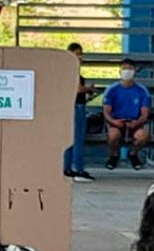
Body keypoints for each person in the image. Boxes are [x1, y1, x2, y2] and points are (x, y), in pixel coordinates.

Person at [102, 58, 151, 171]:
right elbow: (106, 111)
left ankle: (133, 154)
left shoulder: (142, 90)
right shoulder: (111, 90)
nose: (127, 71)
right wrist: (114, 122)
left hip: (135, 122)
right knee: (113, 135)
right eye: (124, 69)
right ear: (119, 71)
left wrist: (137, 122)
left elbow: (144, 114)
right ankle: (114, 155)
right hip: (117, 121)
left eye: (130, 69)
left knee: (143, 136)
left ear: (134, 71)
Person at [63, 42, 97, 182]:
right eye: (77, 54)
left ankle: (67, 168)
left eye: (81, 54)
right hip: (77, 106)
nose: (80, 57)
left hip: (69, 106)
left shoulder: (64, 71)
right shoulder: (73, 71)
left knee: (69, 140)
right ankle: (79, 169)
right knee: (77, 139)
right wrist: (89, 89)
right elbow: (77, 90)